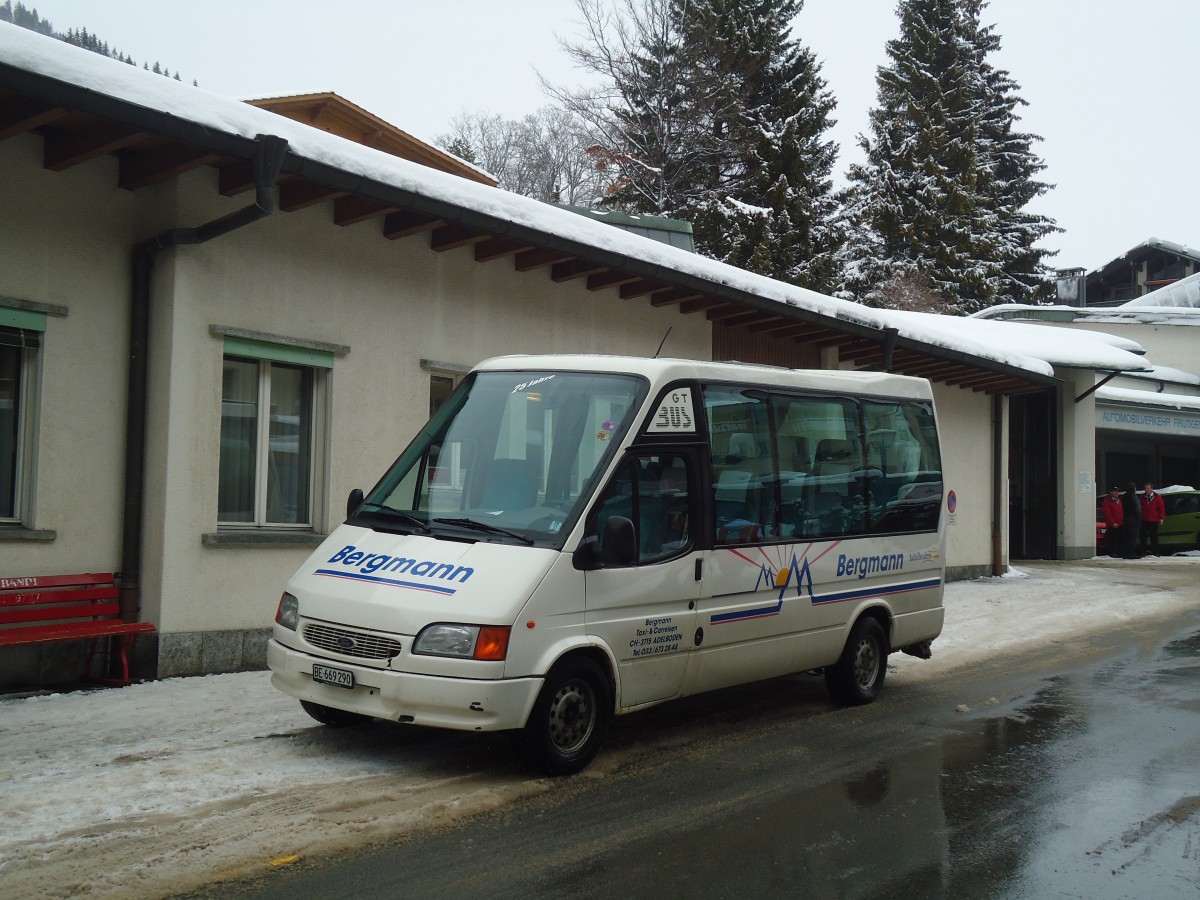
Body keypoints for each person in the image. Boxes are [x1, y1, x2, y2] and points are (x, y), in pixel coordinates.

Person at [1140, 482, 1166, 556]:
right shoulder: (1142, 498)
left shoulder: (1157, 497)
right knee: (1143, 537)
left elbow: (1161, 508)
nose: (1146, 490)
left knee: (1154, 537)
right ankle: (1143, 551)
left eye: (1148, 488)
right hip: (1144, 520)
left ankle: (1155, 551)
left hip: (1153, 520)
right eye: (1145, 488)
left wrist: (1161, 517)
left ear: (1152, 489)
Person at [1121, 481, 1142, 559]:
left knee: (1126, 538)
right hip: (1133, 520)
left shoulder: (1124, 497)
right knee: (1132, 538)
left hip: (1125, 520)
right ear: (1134, 489)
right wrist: (1139, 519)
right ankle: (1131, 554)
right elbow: (1138, 509)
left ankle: (1125, 553)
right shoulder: (1134, 497)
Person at [1101, 485, 1124, 558]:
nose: (1117, 493)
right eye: (1115, 491)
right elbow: (1107, 513)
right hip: (1112, 524)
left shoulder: (1119, 500)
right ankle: (1112, 552)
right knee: (1112, 539)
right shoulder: (1107, 501)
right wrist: (1112, 522)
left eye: (1118, 491)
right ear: (1111, 492)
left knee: (1119, 538)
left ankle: (1119, 552)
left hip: (1120, 523)